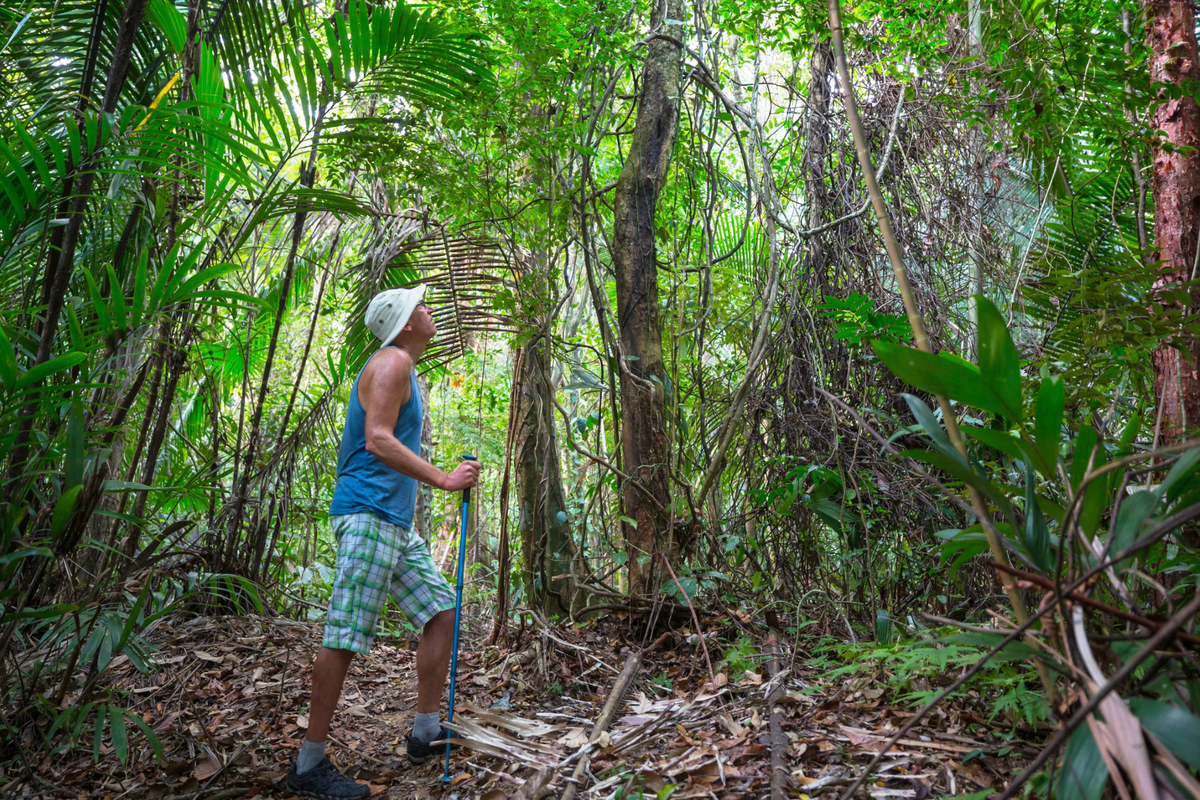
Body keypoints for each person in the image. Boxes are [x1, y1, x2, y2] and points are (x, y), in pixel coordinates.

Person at [286, 285, 482, 799]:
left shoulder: (405, 367)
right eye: (420, 304)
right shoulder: (392, 361)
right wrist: (443, 479)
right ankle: (309, 764)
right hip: (368, 516)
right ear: (403, 321)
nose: (428, 308)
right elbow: (378, 437)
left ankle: (424, 732)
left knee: (441, 611)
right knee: (346, 635)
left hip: (394, 524)